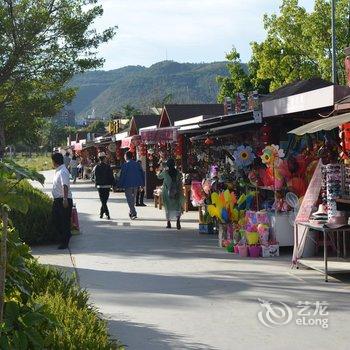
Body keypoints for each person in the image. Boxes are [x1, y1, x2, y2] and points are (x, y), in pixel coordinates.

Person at [51, 152, 73, 249]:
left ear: (55, 161)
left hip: (63, 199)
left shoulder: (63, 171)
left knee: (64, 221)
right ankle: (64, 236)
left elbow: (65, 185)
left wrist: (65, 199)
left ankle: (65, 242)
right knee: (56, 220)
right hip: (58, 199)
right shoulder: (58, 171)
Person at [157, 158, 184, 230]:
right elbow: (180, 181)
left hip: (166, 192)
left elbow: (159, 177)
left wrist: (161, 169)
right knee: (177, 207)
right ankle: (178, 221)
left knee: (167, 207)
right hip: (176, 191)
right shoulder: (177, 172)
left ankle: (168, 223)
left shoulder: (165, 172)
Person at [118, 151, 145, 220]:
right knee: (133, 199)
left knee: (129, 199)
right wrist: (142, 184)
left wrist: (120, 185)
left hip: (127, 184)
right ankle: (131, 212)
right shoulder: (137, 164)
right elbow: (142, 174)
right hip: (136, 184)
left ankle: (133, 213)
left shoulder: (125, 165)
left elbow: (122, 176)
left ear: (126, 156)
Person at [93, 152, 115, 219]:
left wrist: (96, 184)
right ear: (104, 158)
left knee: (103, 200)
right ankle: (107, 213)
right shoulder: (108, 167)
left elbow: (95, 177)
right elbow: (111, 176)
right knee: (104, 200)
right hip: (107, 186)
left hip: (100, 186)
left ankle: (102, 212)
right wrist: (113, 184)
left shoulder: (96, 167)